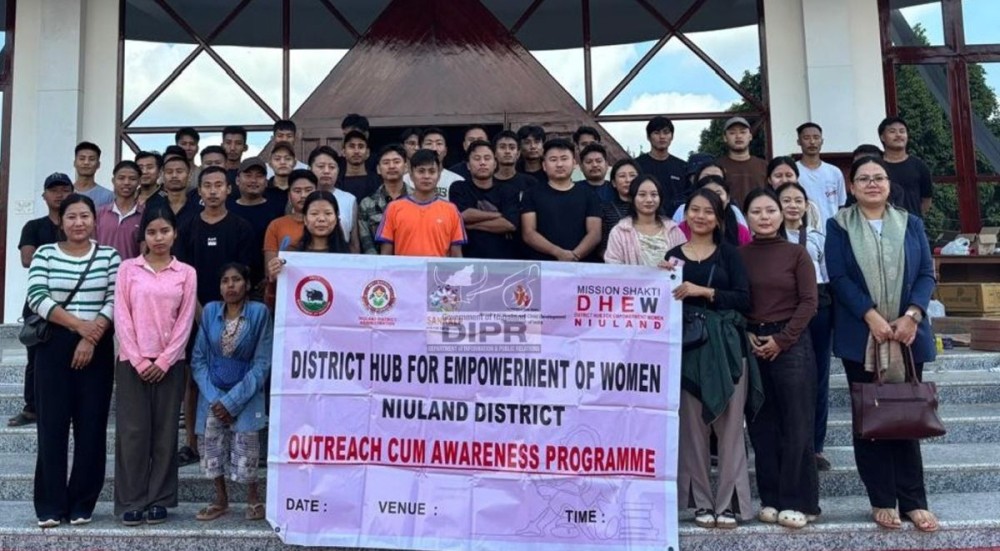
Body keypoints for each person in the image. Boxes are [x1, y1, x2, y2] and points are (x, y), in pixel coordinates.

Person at [825, 156, 938, 532]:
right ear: (852, 187)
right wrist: (871, 316)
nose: (872, 184)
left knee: (907, 416)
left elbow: (925, 273)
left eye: (879, 178)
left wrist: (912, 316)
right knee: (870, 420)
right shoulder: (839, 225)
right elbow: (838, 277)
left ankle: (913, 500)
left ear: (889, 185)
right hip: (863, 336)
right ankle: (881, 499)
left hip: (907, 334)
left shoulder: (911, 223)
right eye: (864, 179)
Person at [664, 189, 761, 529]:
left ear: (719, 219)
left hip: (727, 347)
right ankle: (700, 503)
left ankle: (731, 503)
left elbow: (744, 299)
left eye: (708, 211)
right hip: (689, 349)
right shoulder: (673, 255)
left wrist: (703, 291)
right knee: (692, 429)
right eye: (694, 210)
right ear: (685, 215)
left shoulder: (730, 255)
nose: (700, 216)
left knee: (731, 428)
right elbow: (665, 301)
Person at [27, 194, 120, 527]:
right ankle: (50, 505)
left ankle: (82, 502)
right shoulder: (45, 253)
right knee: (51, 426)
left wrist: (91, 336)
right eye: (71, 217)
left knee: (91, 427)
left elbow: (114, 297)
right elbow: (37, 297)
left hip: (96, 345)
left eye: (84, 216)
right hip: (54, 344)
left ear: (95, 220)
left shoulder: (110, 256)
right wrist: (79, 327)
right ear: (61, 221)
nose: (78, 223)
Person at [739, 187, 820, 529]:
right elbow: (736, 299)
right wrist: (747, 333)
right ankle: (770, 497)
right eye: (756, 211)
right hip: (753, 342)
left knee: (796, 424)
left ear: (782, 213)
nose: (765, 217)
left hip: (792, 343)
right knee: (761, 424)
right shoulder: (739, 255)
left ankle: (798, 500)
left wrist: (783, 339)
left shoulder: (796, 253)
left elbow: (809, 302)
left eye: (770, 210)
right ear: (747, 217)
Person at [113, 206, 197, 526]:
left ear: (174, 233)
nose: (158, 238)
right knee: (133, 433)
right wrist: (136, 358)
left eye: (164, 231)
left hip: (170, 364)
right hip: (131, 362)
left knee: (164, 434)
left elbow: (185, 320)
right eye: (152, 232)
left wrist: (164, 360)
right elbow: (122, 316)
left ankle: (160, 498)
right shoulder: (128, 270)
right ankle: (132, 500)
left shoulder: (186, 273)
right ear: (143, 236)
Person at [174, 166, 255, 467]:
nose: (212, 191)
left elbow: (245, 276)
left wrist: (230, 315)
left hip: (235, 314)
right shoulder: (188, 228)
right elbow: (182, 276)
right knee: (194, 379)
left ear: (229, 189)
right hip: (195, 314)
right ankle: (191, 444)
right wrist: (201, 316)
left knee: (236, 375)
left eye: (218, 185)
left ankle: (237, 441)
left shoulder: (241, 227)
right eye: (206, 185)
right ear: (200, 191)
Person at [190, 263, 272, 522]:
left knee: (247, 446)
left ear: (247, 285)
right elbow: (198, 360)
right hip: (212, 393)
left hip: (246, 391)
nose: (231, 286)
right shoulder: (211, 311)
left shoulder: (259, 313)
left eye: (236, 280)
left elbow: (262, 362)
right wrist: (216, 399)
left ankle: (253, 499)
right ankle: (220, 500)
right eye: (225, 281)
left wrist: (233, 400)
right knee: (211, 446)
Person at [8, 174, 74, 428]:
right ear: (44, 195)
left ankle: (66, 406)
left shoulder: (79, 224)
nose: (59, 195)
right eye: (53, 190)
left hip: (74, 302)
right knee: (36, 358)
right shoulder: (34, 226)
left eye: (65, 189)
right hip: (39, 303)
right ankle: (32, 407)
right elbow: (27, 259)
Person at [776, 182, 833, 471]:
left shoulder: (817, 237)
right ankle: (787, 441)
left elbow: (827, 274)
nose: (793, 205)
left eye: (798, 200)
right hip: (782, 309)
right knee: (788, 378)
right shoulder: (769, 237)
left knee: (818, 376)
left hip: (819, 305)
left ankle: (815, 446)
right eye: (786, 200)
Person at [521, 138, 601, 262]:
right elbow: (528, 233)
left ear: (574, 163)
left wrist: (574, 255)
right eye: (553, 160)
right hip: (543, 267)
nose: (559, 164)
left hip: (581, 267)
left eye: (564, 159)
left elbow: (595, 233)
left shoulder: (589, 194)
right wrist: (558, 252)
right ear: (544, 165)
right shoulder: (531, 194)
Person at [377, 149, 466, 257]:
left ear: (438, 176)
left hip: (437, 273)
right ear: (411, 175)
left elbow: (456, 255)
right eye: (421, 171)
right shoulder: (394, 208)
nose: (426, 176)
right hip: (403, 273)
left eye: (432, 171)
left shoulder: (451, 210)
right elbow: (385, 254)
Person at [449, 140, 519, 259]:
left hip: (502, 261)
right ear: (468, 165)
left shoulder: (508, 190)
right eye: (477, 158)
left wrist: (472, 225)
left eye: (487, 158)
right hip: (468, 260)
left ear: (495, 164)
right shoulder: (458, 187)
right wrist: (498, 215)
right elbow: (463, 215)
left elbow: (509, 225)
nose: (482, 163)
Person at [228, 158, 285, 292]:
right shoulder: (227, 209)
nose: (253, 181)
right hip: (232, 285)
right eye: (248, 176)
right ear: (237, 180)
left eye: (259, 176)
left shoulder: (277, 210)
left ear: (266, 182)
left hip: (267, 284)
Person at [267, 191, 351, 280]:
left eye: (328, 213)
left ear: (337, 218)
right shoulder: (292, 254)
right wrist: (274, 276)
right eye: (314, 214)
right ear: (305, 219)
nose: (321, 219)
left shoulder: (348, 257)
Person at [604, 175, 686, 266]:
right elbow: (613, 267)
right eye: (642, 194)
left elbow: (684, 263)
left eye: (654, 194)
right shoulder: (619, 232)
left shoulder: (674, 230)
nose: (649, 200)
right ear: (632, 198)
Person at [308, 145, 360, 253]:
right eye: (321, 166)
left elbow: (354, 242)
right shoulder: (302, 197)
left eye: (332, 167)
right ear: (310, 169)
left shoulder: (349, 200)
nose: (326, 171)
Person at [878, 116, 933, 217]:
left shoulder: (919, 166)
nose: (898, 135)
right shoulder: (876, 166)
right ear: (882, 137)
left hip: (912, 225)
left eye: (902, 131)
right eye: (892, 131)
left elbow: (927, 199)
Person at [359, 145, 409, 254]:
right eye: (386, 163)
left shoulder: (418, 199)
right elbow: (366, 242)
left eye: (396, 162)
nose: (391, 166)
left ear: (406, 167)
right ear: (378, 169)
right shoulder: (367, 204)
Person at [796, 123, 847, 225]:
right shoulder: (793, 171)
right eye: (806, 138)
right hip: (803, 231)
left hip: (832, 231)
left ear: (822, 141)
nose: (812, 142)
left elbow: (841, 205)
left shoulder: (834, 172)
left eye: (816, 137)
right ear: (799, 142)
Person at [678, 176, 752, 246]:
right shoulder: (679, 230)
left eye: (718, 193)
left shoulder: (740, 230)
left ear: (728, 198)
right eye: (707, 192)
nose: (713, 197)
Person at [635, 116, 688, 213]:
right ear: (648, 137)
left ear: (672, 136)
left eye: (666, 132)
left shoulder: (683, 166)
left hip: (676, 221)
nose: (662, 136)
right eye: (656, 133)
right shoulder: (637, 165)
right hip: (646, 218)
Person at [95, 160, 143, 260]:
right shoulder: (99, 213)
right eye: (121, 178)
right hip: (102, 272)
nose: (126, 182)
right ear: (113, 180)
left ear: (139, 182)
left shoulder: (145, 215)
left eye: (132, 179)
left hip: (132, 274)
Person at [715, 117, 767, 209]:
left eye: (743, 132)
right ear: (725, 138)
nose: (738, 136)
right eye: (732, 133)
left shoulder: (764, 165)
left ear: (750, 136)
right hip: (728, 219)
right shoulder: (716, 167)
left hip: (760, 218)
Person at [403, 127, 464, 200]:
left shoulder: (457, 180)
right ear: (420, 148)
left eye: (439, 143)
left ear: (445, 151)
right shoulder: (405, 180)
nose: (434, 148)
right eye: (429, 143)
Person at [599, 159, 639, 253]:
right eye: (622, 176)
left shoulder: (649, 207)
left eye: (632, 175)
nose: (628, 180)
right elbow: (602, 247)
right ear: (613, 183)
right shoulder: (605, 209)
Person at [493, 130, 538, 201]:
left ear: (518, 154)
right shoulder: (487, 182)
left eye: (512, 148)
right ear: (494, 153)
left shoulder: (530, 182)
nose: (507, 151)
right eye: (502, 147)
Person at [339, 130, 382, 201]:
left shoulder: (378, 182)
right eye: (352, 146)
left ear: (367, 153)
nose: (356, 151)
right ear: (343, 152)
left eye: (361, 146)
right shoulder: (336, 182)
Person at [71, 141, 115, 208]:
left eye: (91, 159)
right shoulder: (66, 193)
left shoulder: (108, 196)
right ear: (74, 163)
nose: (86, 162)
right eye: (82, 159)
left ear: (98, 165)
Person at [265, 141, 297, 205]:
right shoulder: (263, 189)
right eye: (277, 159)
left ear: (294, 163)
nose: (282, 162)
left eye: (287, 159)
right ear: (270, 163)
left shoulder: (300, 189)